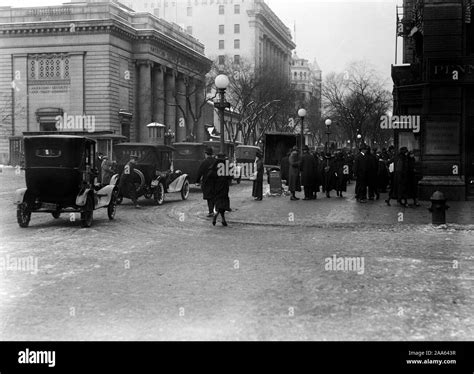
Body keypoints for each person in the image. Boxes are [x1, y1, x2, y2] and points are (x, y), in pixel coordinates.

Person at [209, 153, 232, 226]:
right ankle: (220, 217)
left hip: (216, 187)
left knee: (218, 202)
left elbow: (210, 175)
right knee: (223, 204)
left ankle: (222, 219)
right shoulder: (225, 166)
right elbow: (230, 176)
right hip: (224, 187)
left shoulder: (214, 165)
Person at [196, 147, 216, 217]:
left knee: (209, 197)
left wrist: (197, 181)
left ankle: (211, 211)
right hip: (215, 181)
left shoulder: (204, 162)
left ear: (206, 154)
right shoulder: (215, 161)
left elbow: (200, 172)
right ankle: (214, 209)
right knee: (214, 196)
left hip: (207, 182)